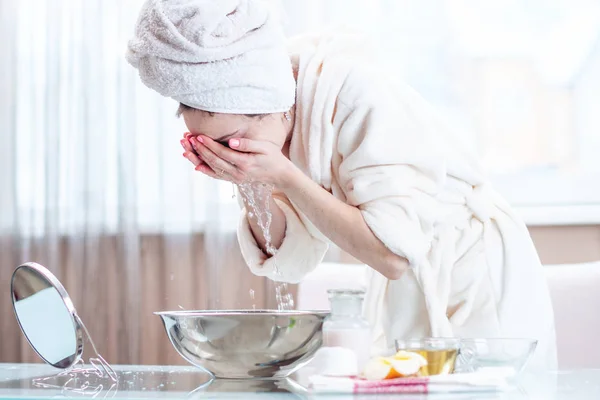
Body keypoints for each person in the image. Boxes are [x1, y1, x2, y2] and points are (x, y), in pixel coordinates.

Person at [127, 0, 557, 369]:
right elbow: (290, 262)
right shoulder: (273, 127)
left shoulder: (355, 96)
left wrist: (282, 175)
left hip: (474, 276)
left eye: (232, 143)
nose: (229, 154)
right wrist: (251, 181)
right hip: (405, 289)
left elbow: (392, 255)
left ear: (272, 108)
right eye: (212, 147)